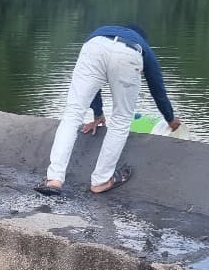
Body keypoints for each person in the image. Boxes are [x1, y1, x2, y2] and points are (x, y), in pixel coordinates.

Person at [35, 24, 181, 196]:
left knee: (73, 114)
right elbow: (157, 86)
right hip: (129, 54)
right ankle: (101, 181)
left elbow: (92, 85)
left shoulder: (105, 32)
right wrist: (170, 119)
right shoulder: (142, 44)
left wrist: (97, 113)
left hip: (94, 47)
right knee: (121, 119)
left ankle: (54, 180)